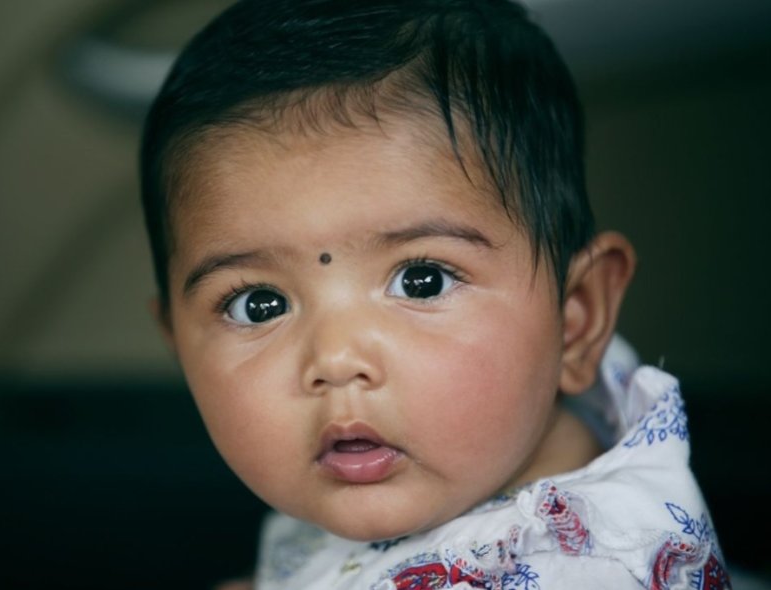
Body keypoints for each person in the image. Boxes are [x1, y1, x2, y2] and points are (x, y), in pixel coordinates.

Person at [139, 0, 730, 587]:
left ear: (575, 319)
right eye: (259, 305)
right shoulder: (459, 459)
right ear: (178, 346)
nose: (337, 360)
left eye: (422, 281)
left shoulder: (583, 569)